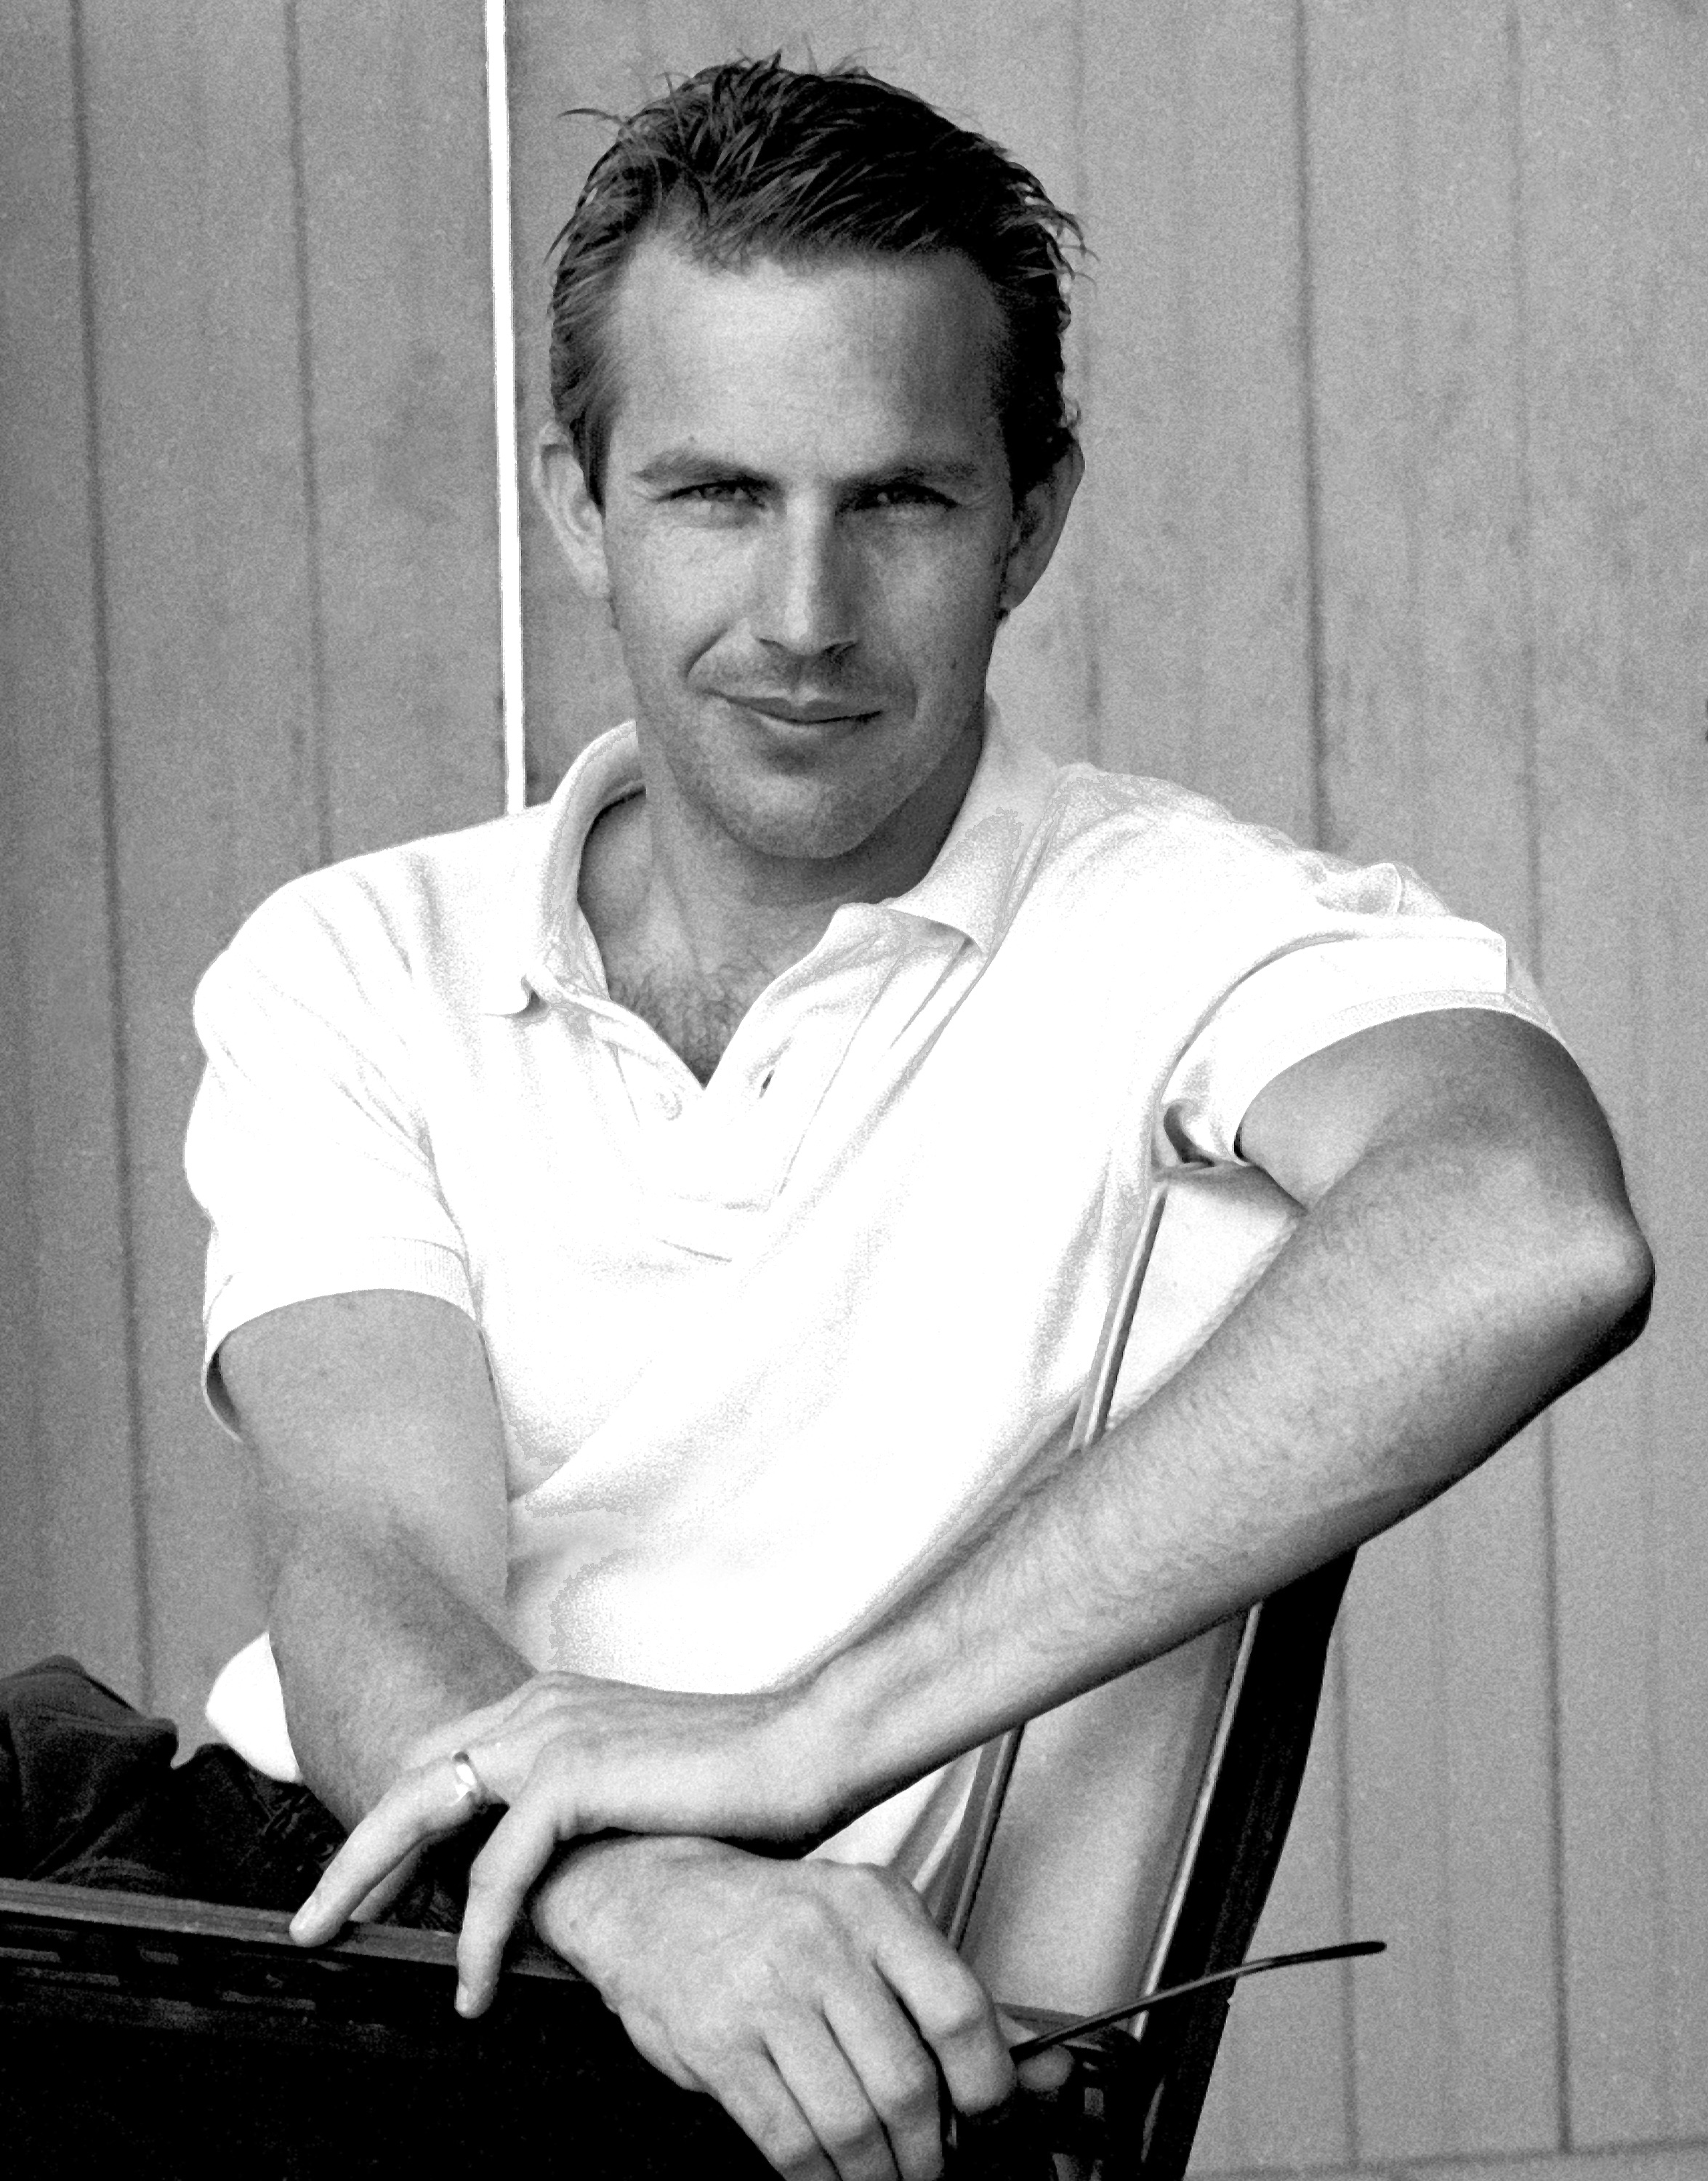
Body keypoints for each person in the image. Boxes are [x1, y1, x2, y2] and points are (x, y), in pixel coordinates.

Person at [24, 53, 1651, 2181]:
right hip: (310, 1905)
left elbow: (1530, 1230)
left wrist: (794, 1751)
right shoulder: (358, 955)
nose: (803, 618)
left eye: (898, 500)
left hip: (776, 2048)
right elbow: (378, 1564)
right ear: (574, 500)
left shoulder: (1199, 935)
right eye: (717, 493)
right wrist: (627, 1893)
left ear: (1032, 520)